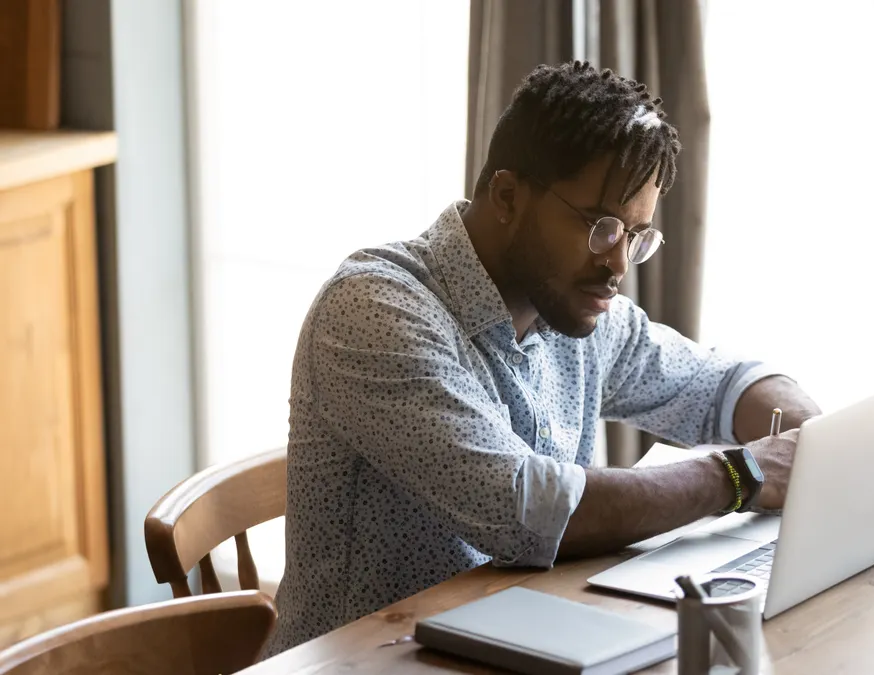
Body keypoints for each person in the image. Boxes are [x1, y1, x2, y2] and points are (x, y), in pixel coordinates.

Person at [262, 60, 820, 657]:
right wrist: (741, 474)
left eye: (636, 235)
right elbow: (530, 509)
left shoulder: (570, 304)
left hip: (518, 644)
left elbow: (720, 386)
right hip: (370, 663)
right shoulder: (374, 311)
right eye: (600, 226)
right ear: (507, 196)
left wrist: (814, 440)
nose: (617, 264)